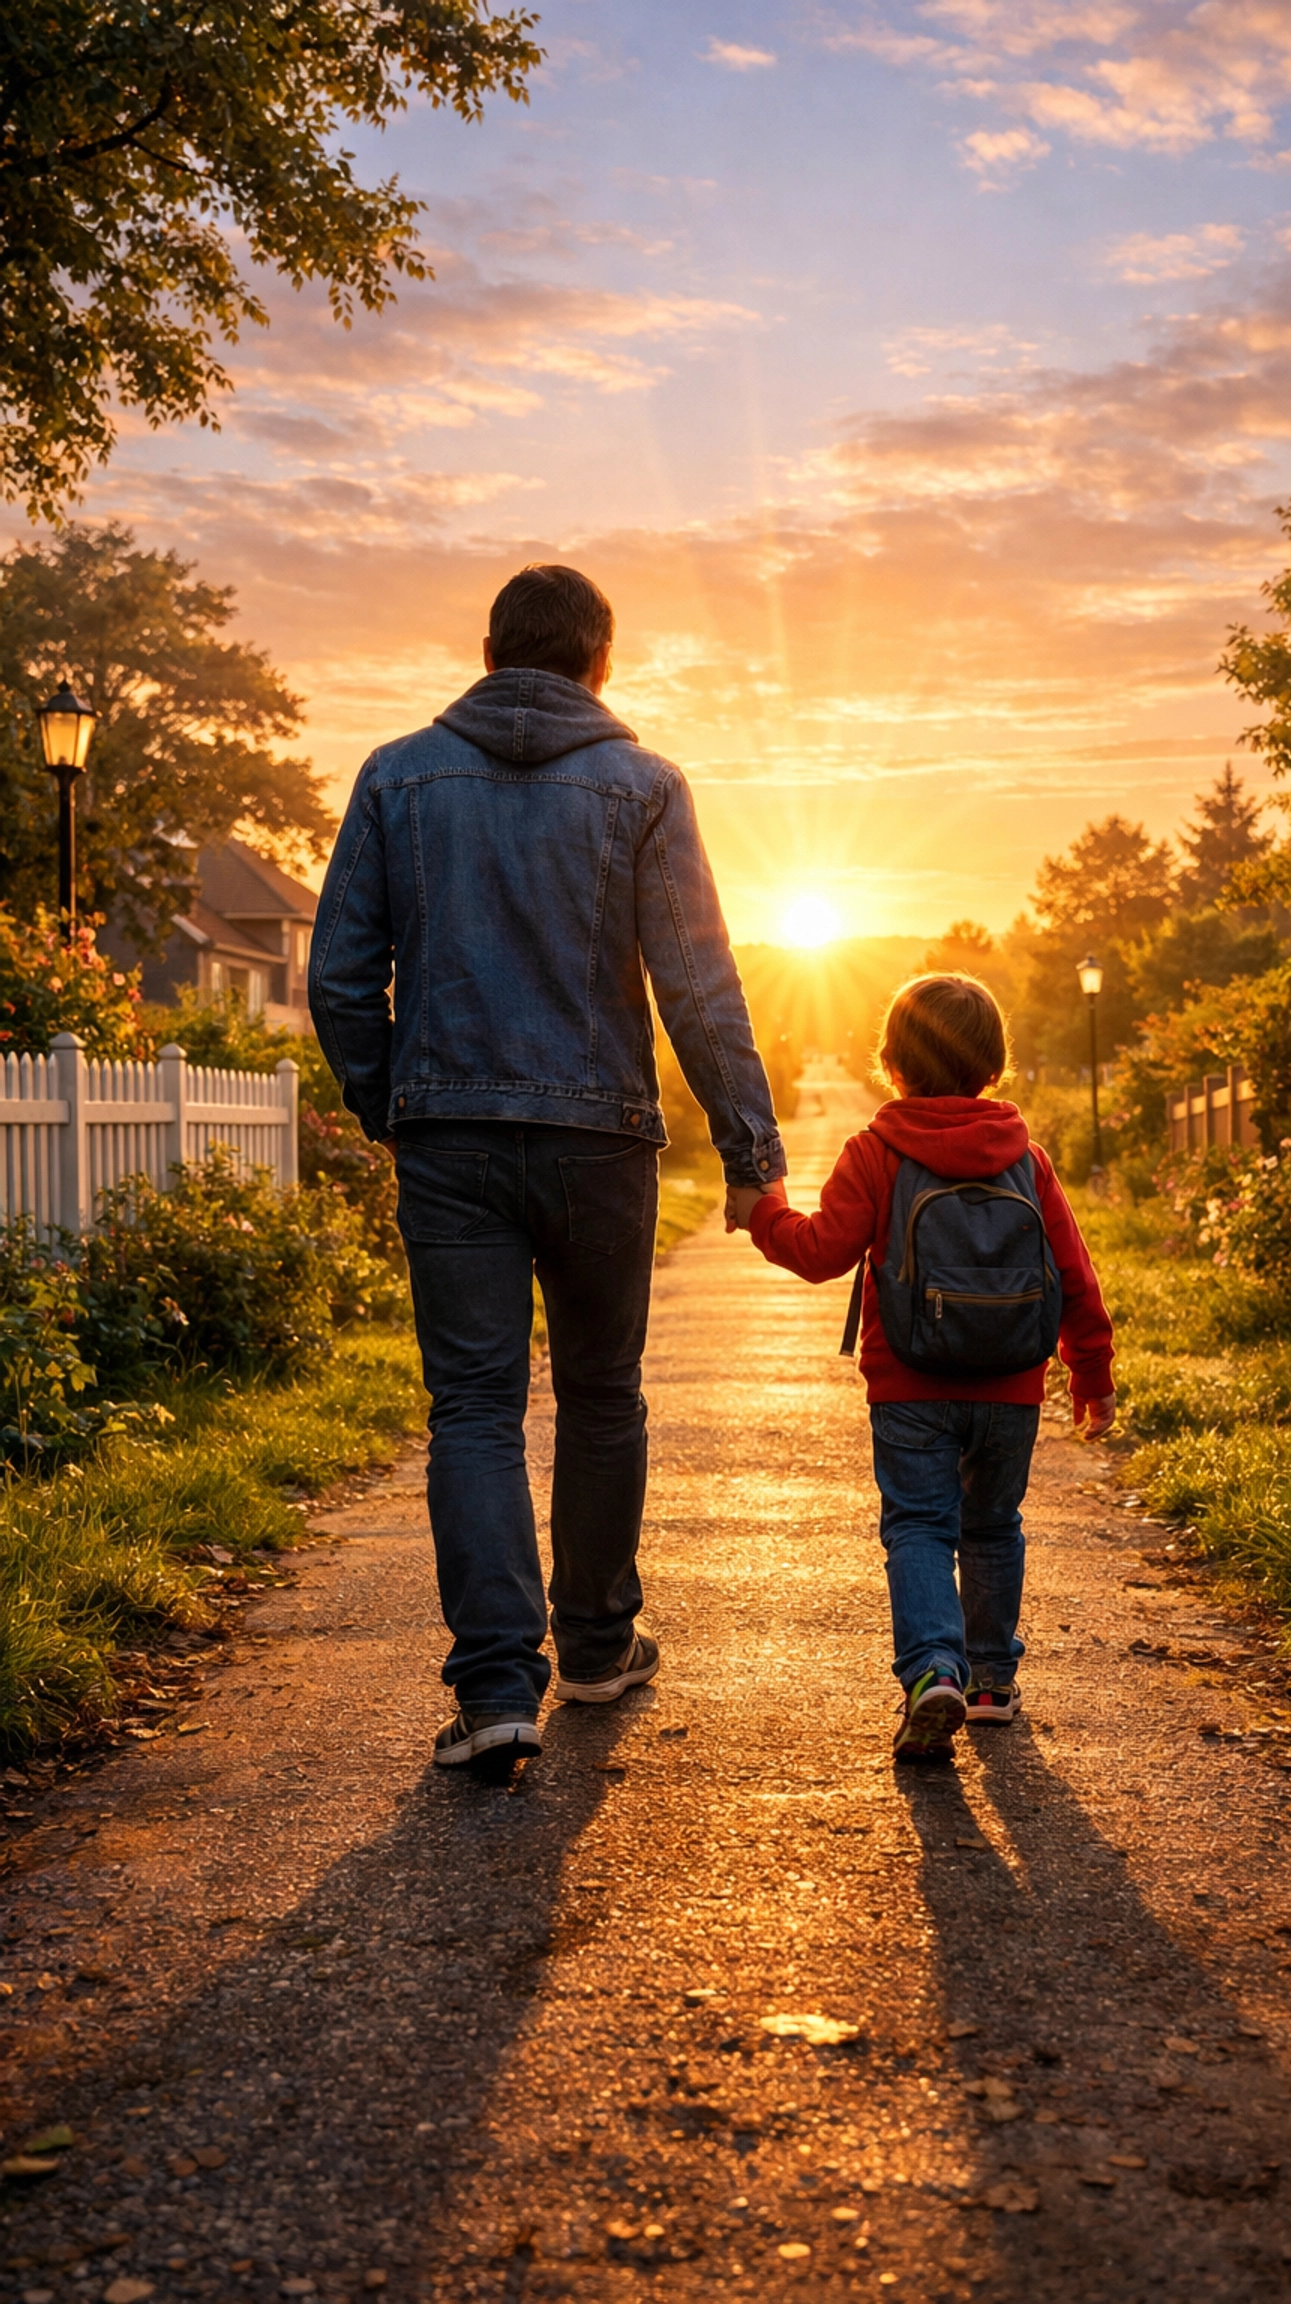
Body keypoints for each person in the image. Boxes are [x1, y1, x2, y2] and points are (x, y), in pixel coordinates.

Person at [310, 563, 785, 1776]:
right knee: (600, 1392)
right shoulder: (645, 786)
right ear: (600, 662)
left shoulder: (395, 777)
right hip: (599, 1141)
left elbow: (338, 980)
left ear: (488, 650)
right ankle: (592, 1644)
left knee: (473, 1404)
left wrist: (392, 1104)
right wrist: (749, 1152)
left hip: (449, 1137)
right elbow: (697, 982)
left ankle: (494, 1692)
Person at [727, 974, 1114, 1762]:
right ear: (994, 1064)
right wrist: (1092, 1374)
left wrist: (761, 1210)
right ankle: (992, 1683)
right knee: (993, 1525)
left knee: (919, 1527)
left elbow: (819, 1252)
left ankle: (936, 1667)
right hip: (1012, 1384)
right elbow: (1073, 1272)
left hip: (909, 1382)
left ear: (892, 1064)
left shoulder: (876, 1152)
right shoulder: (1028, 1160)